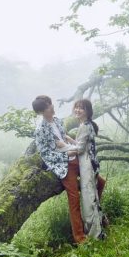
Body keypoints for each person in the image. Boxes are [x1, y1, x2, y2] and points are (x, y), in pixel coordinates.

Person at [32, 95, 87, 244]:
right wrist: (66, 155)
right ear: (43, 111)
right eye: (49, 106)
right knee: (74, 199)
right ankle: (80, 238)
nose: (52, 106)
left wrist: (73, 142)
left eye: (51, 103)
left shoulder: (57, 120)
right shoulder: (40, 129)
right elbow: (45, 154)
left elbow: (63, 137)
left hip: (75, 156)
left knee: (99, 183)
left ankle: (97, 217)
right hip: (64, 164)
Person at [73, 98, 108, 240]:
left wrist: (62, 148)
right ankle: (98, 226)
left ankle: (95, 234)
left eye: (81, 108)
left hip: (87, 165)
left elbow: (80, 149)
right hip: (91, 164)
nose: (77, 110)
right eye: (76, 107)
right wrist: (70, 141)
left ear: (87, 111)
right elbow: (82, 144)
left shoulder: (84, 126)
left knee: (89, 200)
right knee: (92, 197)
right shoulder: (88, 125)